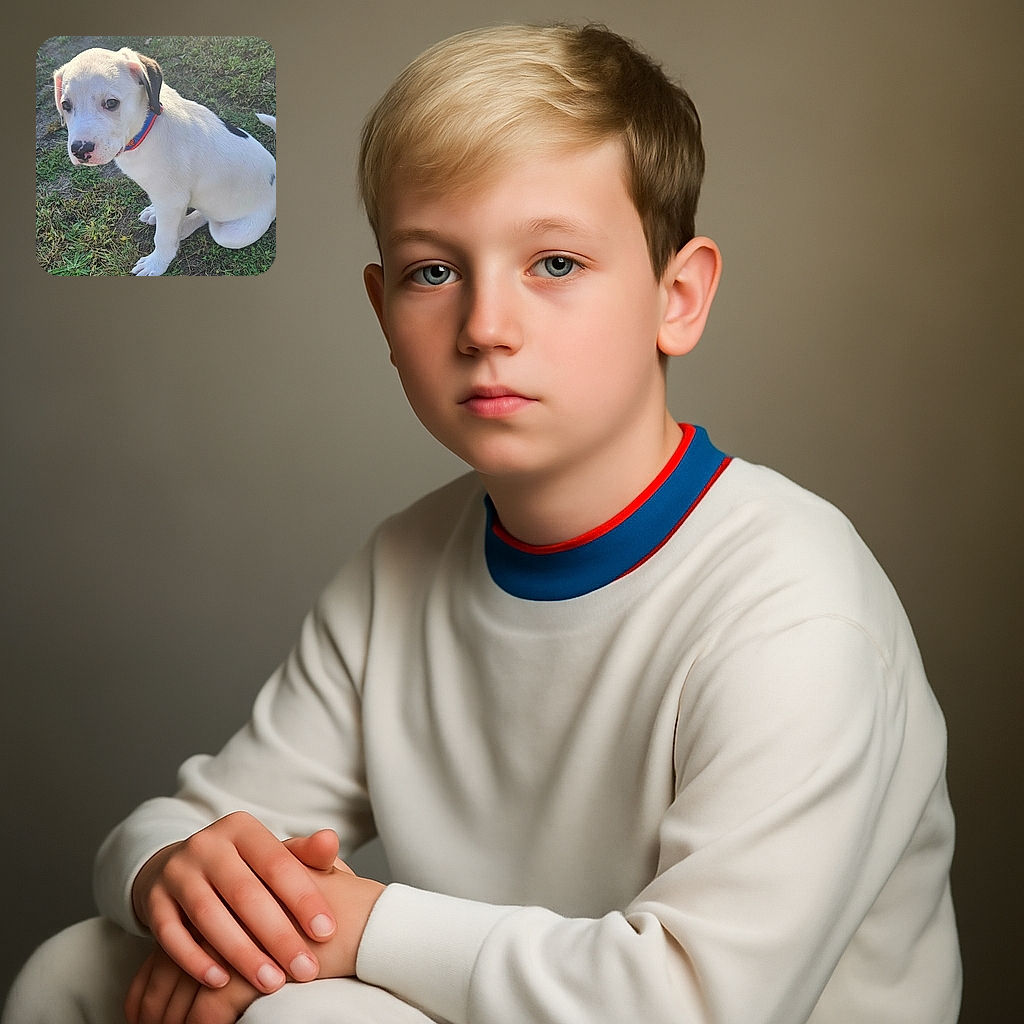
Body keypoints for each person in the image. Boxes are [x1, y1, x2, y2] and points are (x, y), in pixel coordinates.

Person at [3, 22, 961, 1024]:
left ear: (675, 298)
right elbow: (194, 821)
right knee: (77, 967)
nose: (485, 326)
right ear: (383, 312)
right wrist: (181, 879)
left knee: (300, 1016)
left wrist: (355, 926)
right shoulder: (403, 570)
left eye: (553, 263)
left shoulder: (796, 605)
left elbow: (692, 999)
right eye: (432, 271)